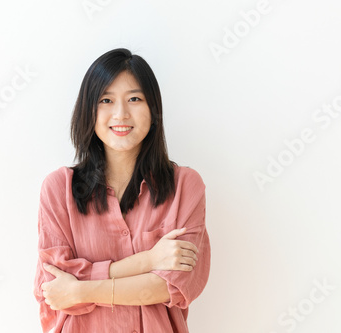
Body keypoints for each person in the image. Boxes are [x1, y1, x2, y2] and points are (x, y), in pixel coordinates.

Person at [33, 48, 210, 333]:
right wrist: (149, 261)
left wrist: (81, 291)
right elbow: (54, 289)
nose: (121, 113)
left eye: (134, 99)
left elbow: (170, 286)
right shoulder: (58, 189)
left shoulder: (185, 186)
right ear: (88, 110)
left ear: (153, 109)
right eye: (106, 100)